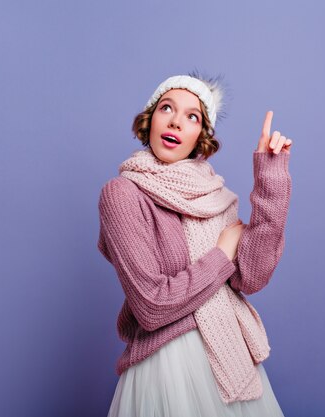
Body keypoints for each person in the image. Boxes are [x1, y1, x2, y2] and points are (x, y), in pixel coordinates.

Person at [97, 73, 293, 416]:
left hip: (231, 359)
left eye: (192, 116)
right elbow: (152, 305)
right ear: (149, 120)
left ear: (200, 136)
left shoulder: (216, 196)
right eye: (166, 108)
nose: (175, 121)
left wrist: (270, 177)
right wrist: (221, 255)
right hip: (166, 369)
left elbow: (252, 278)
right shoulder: (122, 195)